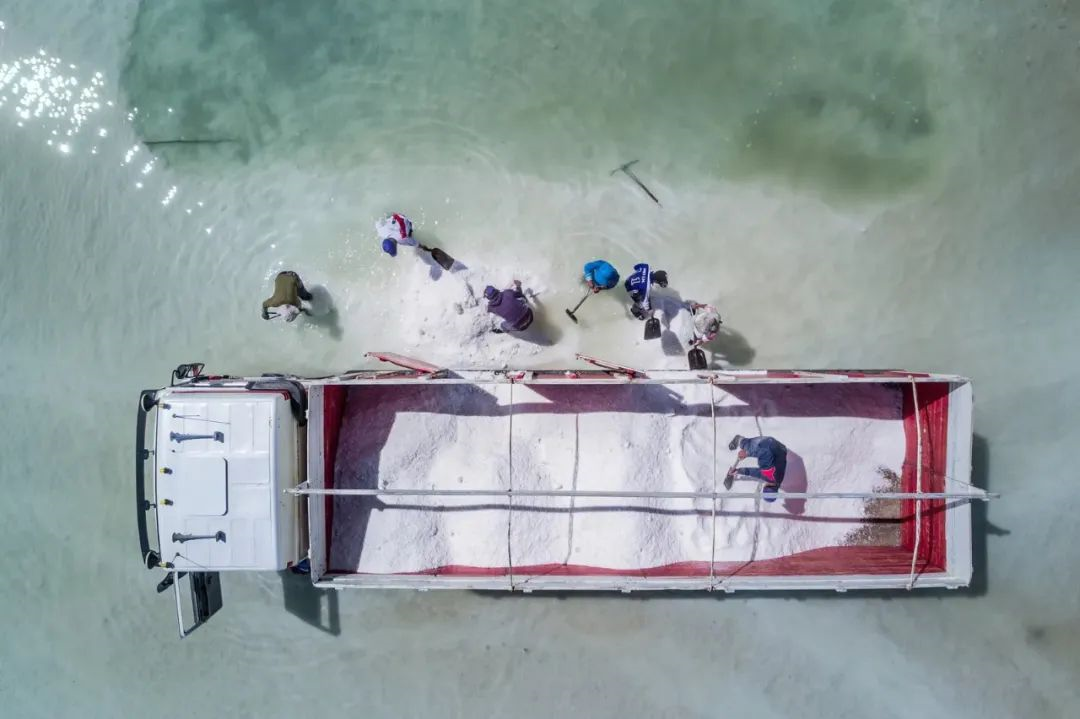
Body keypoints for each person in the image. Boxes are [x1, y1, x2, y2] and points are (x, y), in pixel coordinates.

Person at [725, 435, 788, 502]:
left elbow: (756, 473)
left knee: (758, 450)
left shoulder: (777, 479)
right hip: (768, 444)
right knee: (749, 446)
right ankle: (739, 440)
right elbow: (765, 452)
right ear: (764, 488)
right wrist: (747, 453)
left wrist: (738, 471)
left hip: (781, 449)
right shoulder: (769, 475)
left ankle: (746, 445)